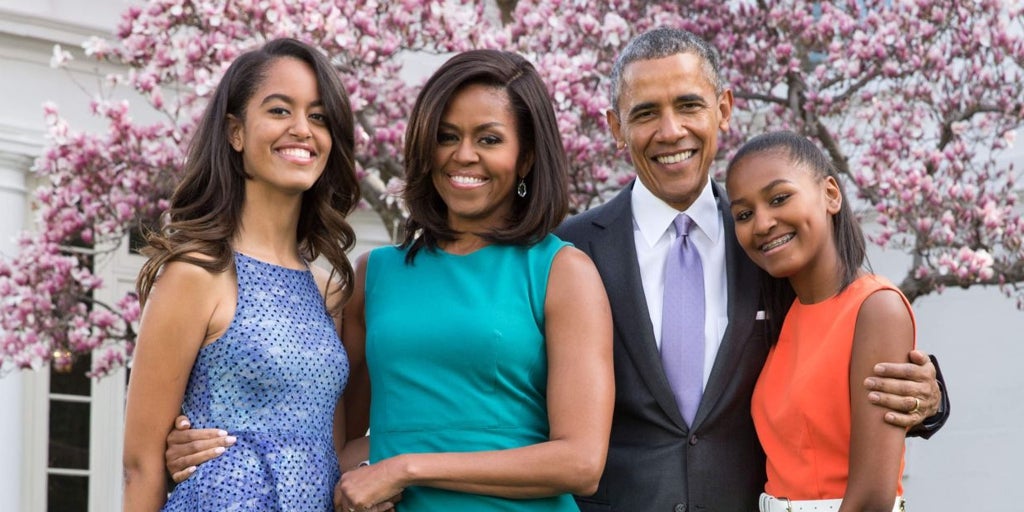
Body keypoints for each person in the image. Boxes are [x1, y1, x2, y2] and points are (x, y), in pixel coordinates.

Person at [162, 49, 615, 512]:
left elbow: (581, 463)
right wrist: (215, 444)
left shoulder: (562, 272)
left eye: (489, 139)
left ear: (526, 159)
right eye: (446, 136)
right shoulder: (374, 275)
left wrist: (406, 466)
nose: (463, 155)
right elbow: (332, 441)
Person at [552, 27, 949, 511]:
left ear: (723, 109)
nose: (671, 130)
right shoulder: (570, 251)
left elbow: (837, 335)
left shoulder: (770, 242)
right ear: (616, 128)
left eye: (689, 105)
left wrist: (926, 398)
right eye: (646, 113)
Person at [122, 38, 363, 511]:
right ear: (236, 132)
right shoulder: (196, 273)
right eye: (279, 111)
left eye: (318, 117)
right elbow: (141, 466)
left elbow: (332, 450)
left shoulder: (329, 292)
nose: (302, 130)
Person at [726, 131, 914, 512]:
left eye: (779, 199)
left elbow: (871, 498)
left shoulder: (876, 308)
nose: (762, 223)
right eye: (744, 214)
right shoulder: (785, 317)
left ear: (830, 194)